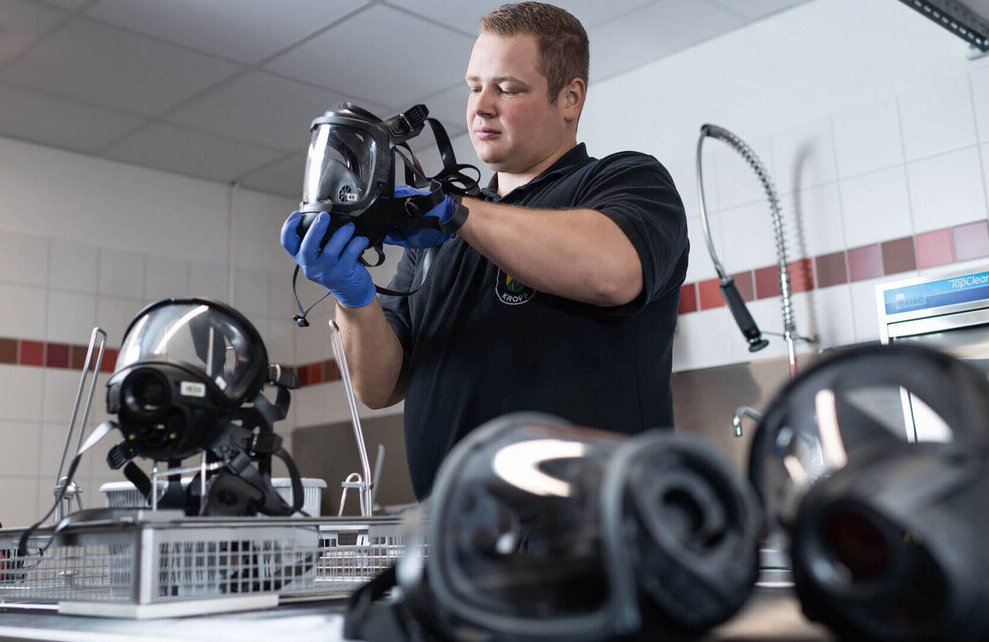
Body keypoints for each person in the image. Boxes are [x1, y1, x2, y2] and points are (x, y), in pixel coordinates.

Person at [281, 2, 689, 500]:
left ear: (570, 99)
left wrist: (457, 211)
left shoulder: (625, 181)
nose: (481, 107)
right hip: (459, 541)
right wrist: (352, 295)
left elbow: (611, 271)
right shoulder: (442, 230)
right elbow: (379, 387)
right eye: (475, 87)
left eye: (508, 89)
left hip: (598, 538)